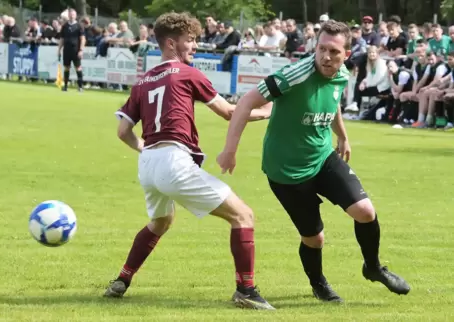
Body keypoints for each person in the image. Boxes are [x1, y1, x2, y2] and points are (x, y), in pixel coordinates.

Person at [217, 20, 410, 302]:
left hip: (322, 157)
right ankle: (319, 283)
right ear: (315, 47)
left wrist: (343, 137)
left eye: (334, 51)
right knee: (314, 238)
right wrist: (229, 150)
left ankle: (373, 267)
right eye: (321, 49)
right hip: (286, 171)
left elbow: (332, 105)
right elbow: (246, 101)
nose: (326, 56)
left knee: (366, 212)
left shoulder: (342, 73)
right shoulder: (294, 74)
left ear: (346, 53)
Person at [104, 12, 274, 310]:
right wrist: (268, 112)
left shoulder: (143, 81)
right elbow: (229, 112)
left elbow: (122, 131)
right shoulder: (187, 73)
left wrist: (145, 149)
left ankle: (122, 279)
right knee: (243, 216)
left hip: (149, 163)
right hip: (173, 161)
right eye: (191, 40)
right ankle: (245, 290)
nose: (195, 46)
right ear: (171, 44)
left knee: (161, 221)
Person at [58, 8, 85, 92]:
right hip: (66, 50)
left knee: (78, 67)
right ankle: (65, 86)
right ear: (68, 15)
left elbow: (83, 39)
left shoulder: (79, 26)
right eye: (70, 14)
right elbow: (62, 38)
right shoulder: (65, 26)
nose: (71, 16)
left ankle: (80, 86)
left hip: (75, 50)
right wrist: (59, 49)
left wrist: (81, 50)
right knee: (66, 67)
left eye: (73, 14)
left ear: (75, 16)